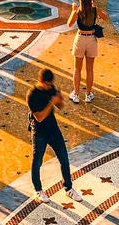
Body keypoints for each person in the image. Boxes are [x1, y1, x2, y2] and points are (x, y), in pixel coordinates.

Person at [27, 68, 80, 200]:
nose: (50, 86)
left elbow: (60, 106)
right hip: (39, 132)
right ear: (41, 81)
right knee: (37, 161)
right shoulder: (32, 95)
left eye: (51, 84)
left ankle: (68, 188)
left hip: (53, 129)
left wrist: (59, 100)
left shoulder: (50, 88)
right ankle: (38, 190)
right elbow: (39, 117)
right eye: (48, 84)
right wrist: (51, 103)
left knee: (64, 158)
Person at [68, 0, 101, 103]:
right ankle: (88, 94)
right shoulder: (94, 10)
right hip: (91, 39)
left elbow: (69, 24)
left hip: (80, 38)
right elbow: (105, 17)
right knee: (90, 69)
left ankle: (76, 94)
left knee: (77, 68)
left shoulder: (78, 12)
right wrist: (95, 7)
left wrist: (73, 11)